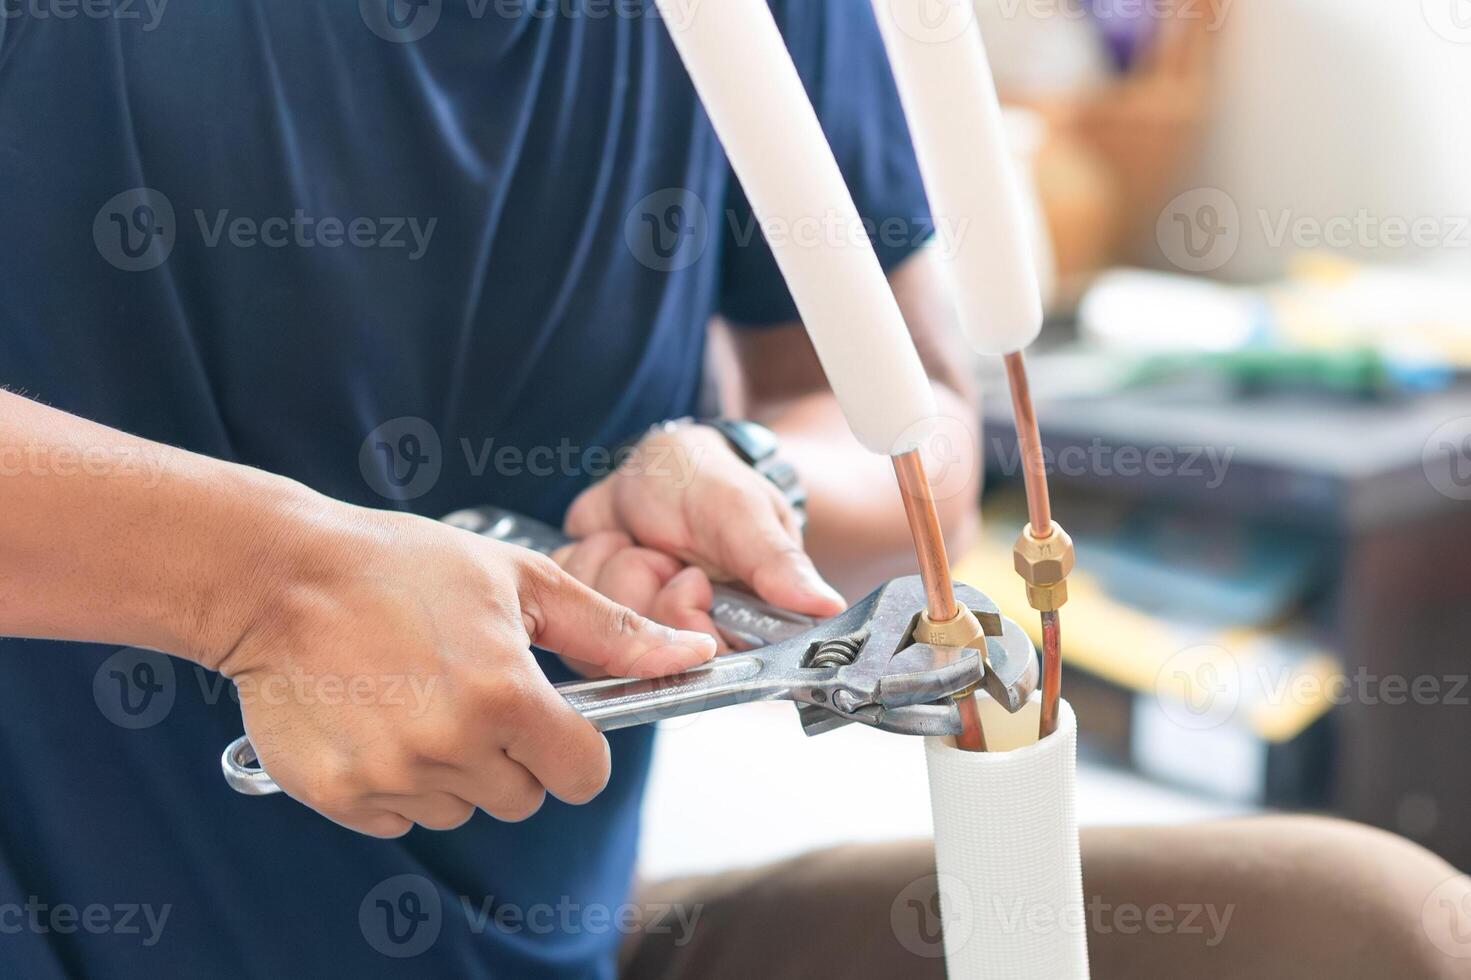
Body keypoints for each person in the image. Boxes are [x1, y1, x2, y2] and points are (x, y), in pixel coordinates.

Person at [0, 3, 1464, 978]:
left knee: (1376, 932)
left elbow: (920, 452)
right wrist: (263, 582)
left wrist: (744, 472)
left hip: (545, 940)